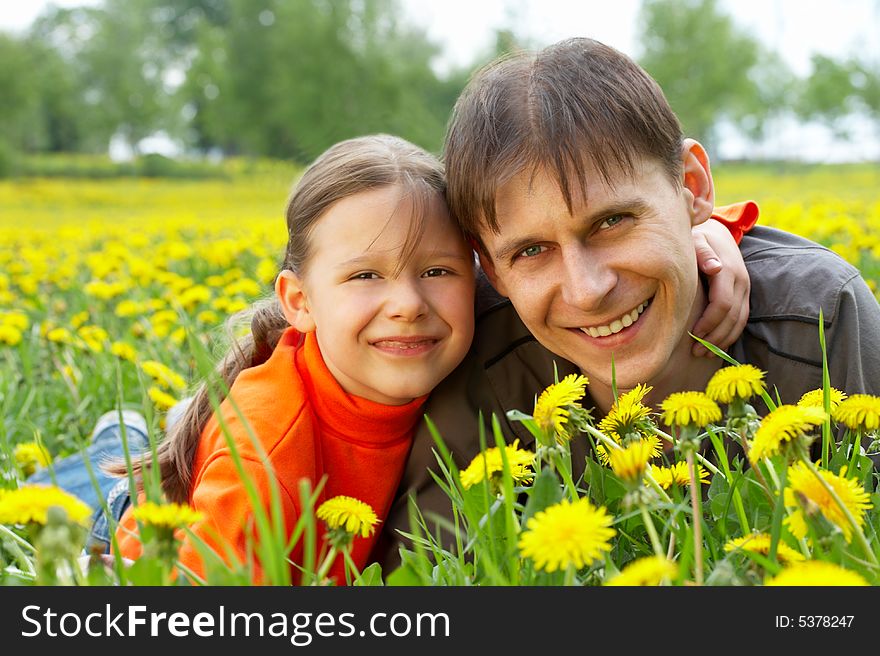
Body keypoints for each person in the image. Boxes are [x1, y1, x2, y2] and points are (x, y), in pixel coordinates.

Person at [373, 37, 880, 570]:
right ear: (491, 267)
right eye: (532, 250)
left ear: (692, 186)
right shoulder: (467, 345)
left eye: (613, 222)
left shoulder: (822, 320)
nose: (587, 289)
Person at [103, 134, 478, 584]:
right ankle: (122, 434)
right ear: (300, 302)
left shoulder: (487, 365)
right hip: (132, 545)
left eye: (438, 270)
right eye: (365, 275)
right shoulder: (267, 458)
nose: (408, 304)